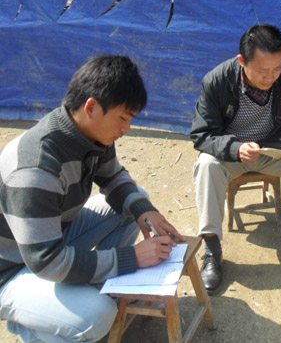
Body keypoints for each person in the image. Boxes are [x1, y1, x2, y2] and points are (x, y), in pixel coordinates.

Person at [0, 55, 186, 342]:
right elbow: (47, 262)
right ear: (91, 107)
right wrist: (131, 258)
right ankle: (32, 325)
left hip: (50, 240)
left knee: (135, 201)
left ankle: (98, 288)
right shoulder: (36, 168)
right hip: (11, 268)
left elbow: (113, 177)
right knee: (96, 316)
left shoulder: (91, 136)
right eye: (123, 118)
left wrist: (144, 210)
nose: (127, 128)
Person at [190, 24, 281, 294]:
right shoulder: (217, 80)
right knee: (206, 164)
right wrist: (235, 148)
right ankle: (212, 248)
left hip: (274, 149)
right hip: (233, 154)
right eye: (262, 70)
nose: (270, 77)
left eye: (276, 69)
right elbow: (202, 135)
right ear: (242, 61)